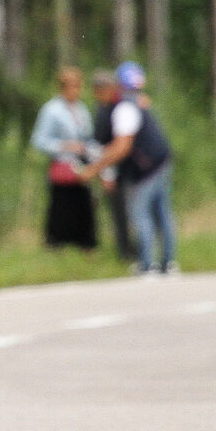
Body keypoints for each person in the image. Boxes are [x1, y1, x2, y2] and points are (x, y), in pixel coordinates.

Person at [80, 61, 177, 275]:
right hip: (161, 160)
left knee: (141, 214)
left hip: (147, 167)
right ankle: (168, 263)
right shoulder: (133, 103)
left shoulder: (124, 108)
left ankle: (146, 263)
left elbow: (121, 147)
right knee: (162, 212)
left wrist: (94, 170)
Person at [28, 66, 97, 250]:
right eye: (72, 86)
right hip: (62, 166)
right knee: (61, 209)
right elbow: (39, 141)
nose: (76, 91)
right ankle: (56, 246)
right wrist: (64, 146)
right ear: (63, 87)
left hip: (81, 165)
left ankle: (86, 247)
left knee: (84, 207)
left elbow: (88, 136)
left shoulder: (81, 109)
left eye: (78, 86)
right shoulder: (51, 110)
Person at [88, 69, 137, 263]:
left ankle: (136, 251)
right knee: (119, 214)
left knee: (132, 213)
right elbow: (101, 146)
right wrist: (106, 175)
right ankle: (125, 253)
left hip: (129, 169)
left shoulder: (120, 106)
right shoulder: (102, 112)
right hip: (114, 169)